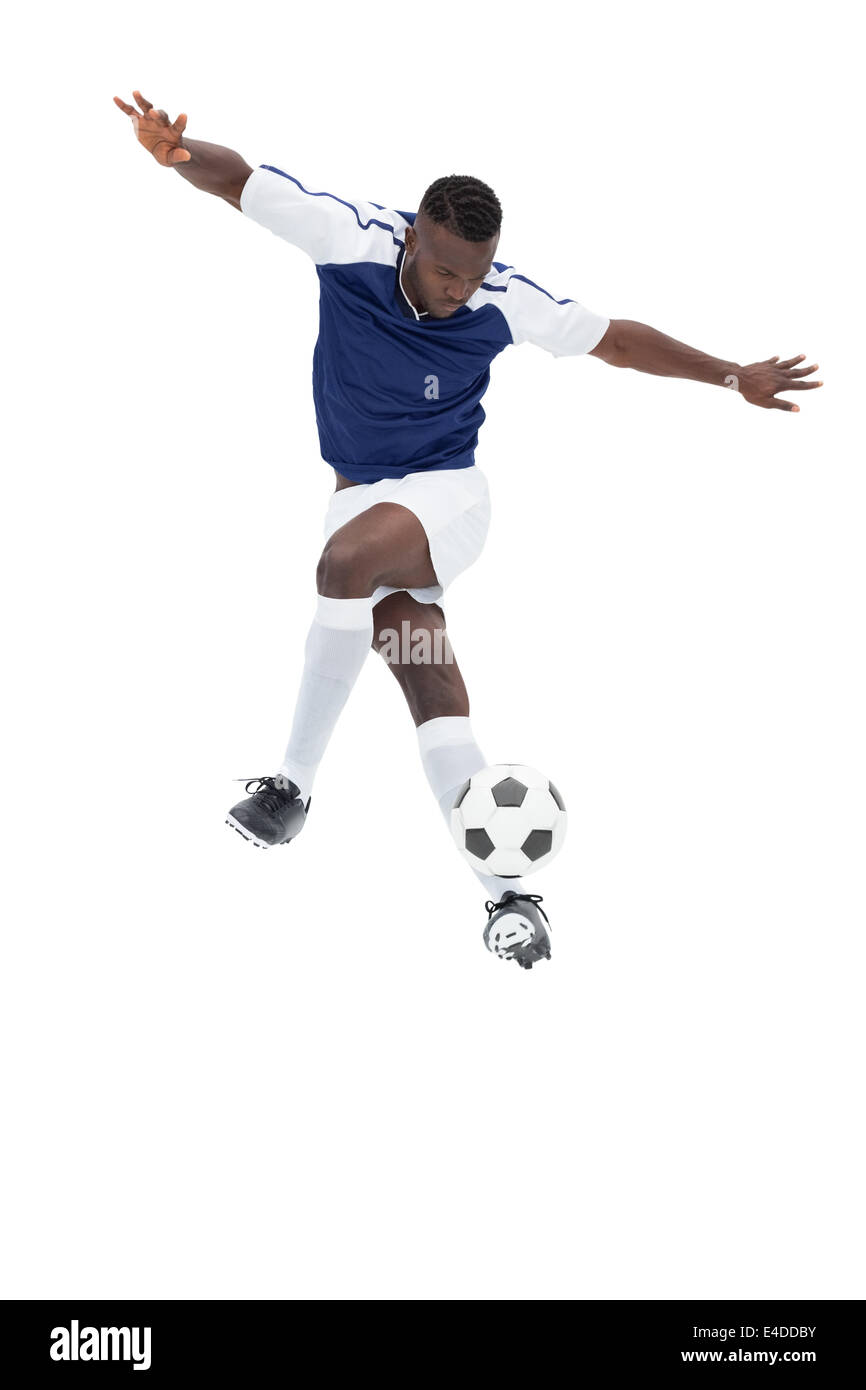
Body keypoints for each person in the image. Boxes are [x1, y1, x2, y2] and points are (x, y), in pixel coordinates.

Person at [113, 91, 823, 970]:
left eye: (476, 275)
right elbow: (242, 183)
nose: (462, 292)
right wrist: (179, 157)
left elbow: (620, 343)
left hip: (446, 499)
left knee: (343, 564)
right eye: (449, 272)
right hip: (361, 497)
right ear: (414, 236)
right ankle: (511, 900)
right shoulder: (348, 238)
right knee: (424, 671)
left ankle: (291, 786)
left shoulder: (503, 303)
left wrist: (728, 377)